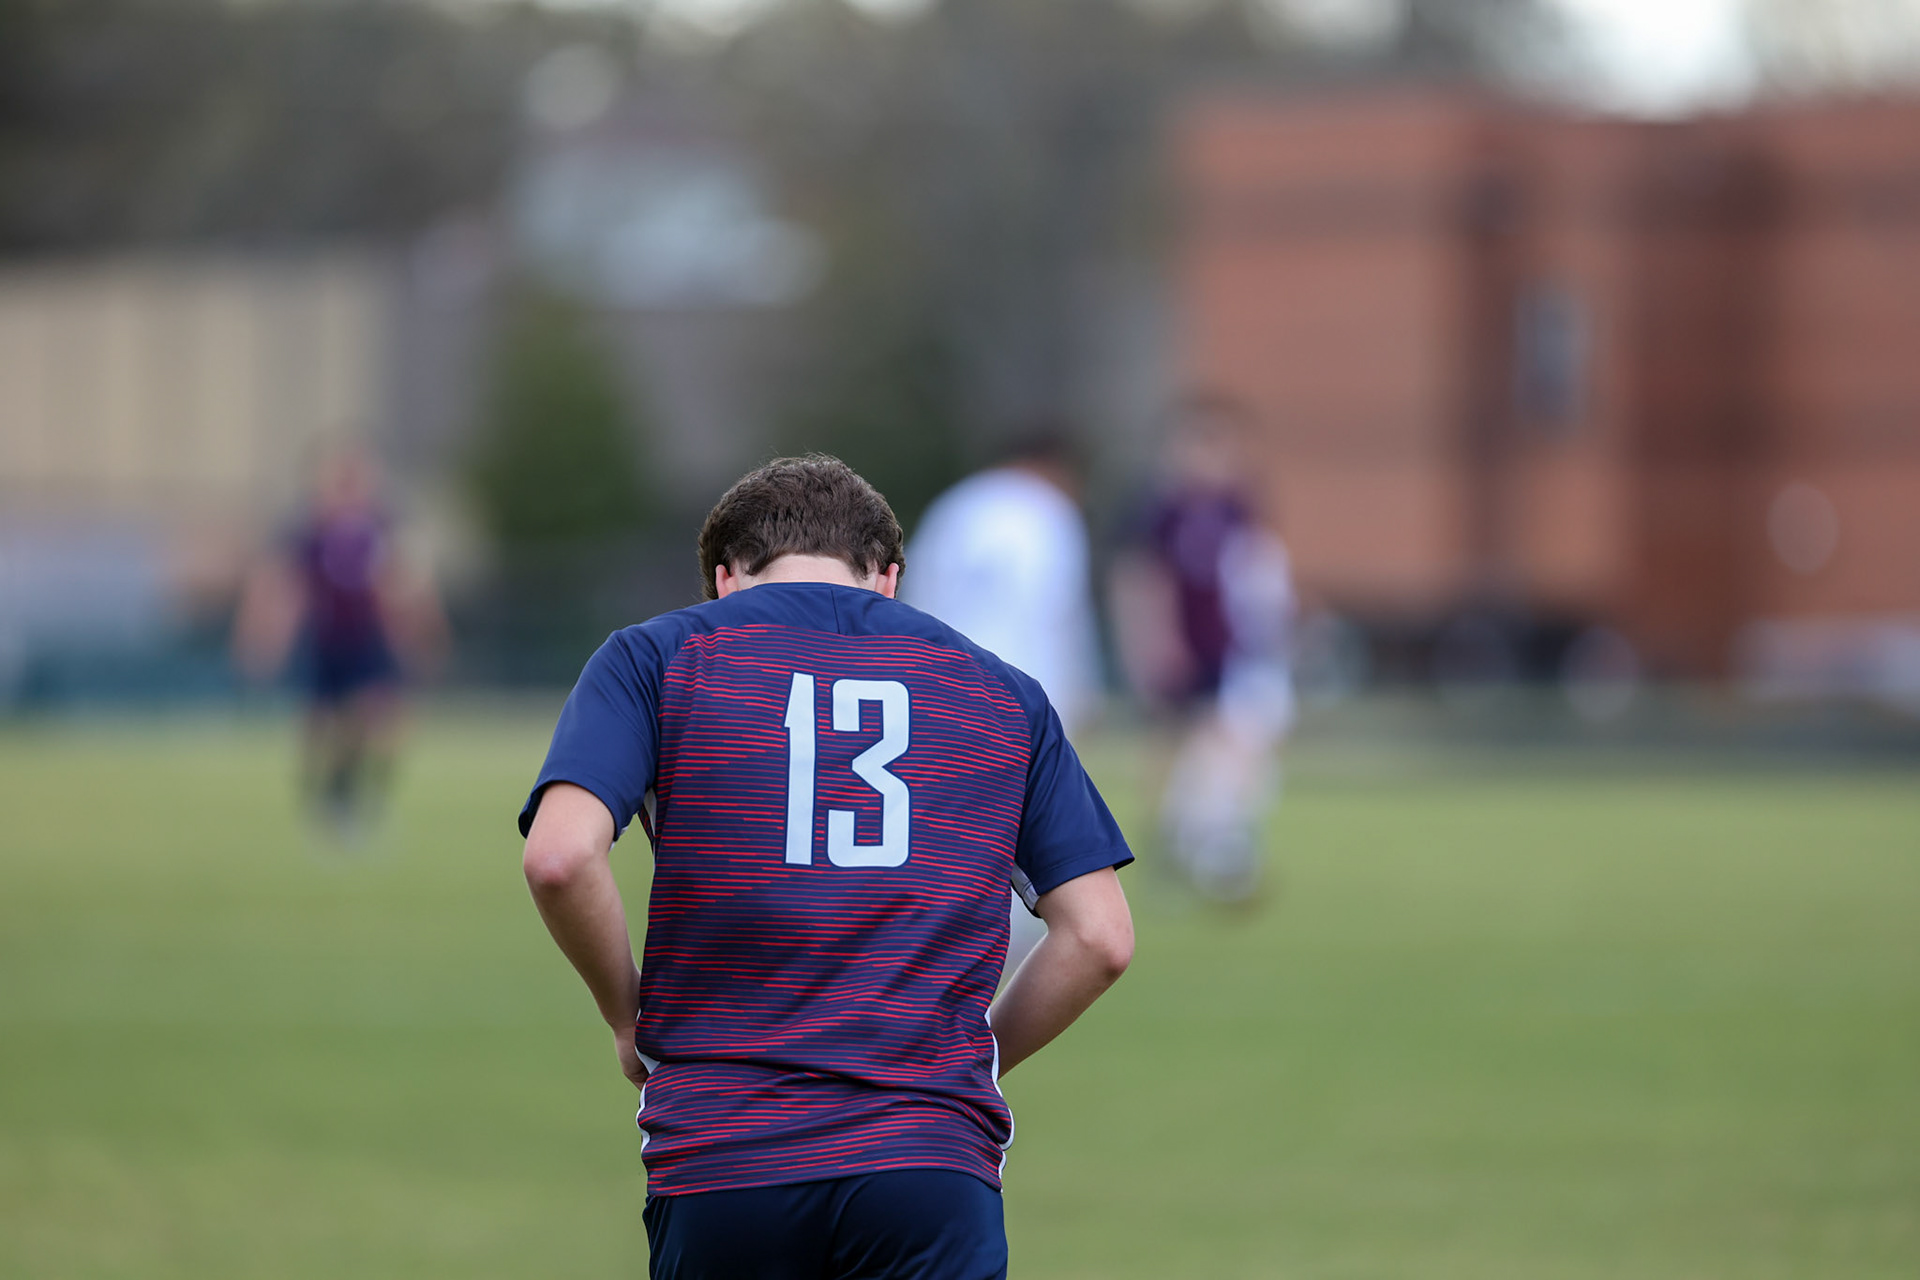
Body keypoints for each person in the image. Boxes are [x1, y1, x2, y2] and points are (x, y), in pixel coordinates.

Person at [518, 454, 1134, 1280]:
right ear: (887, 579)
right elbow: (1100, 937)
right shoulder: (1003, 692)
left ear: (724, 578)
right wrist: (958, 1063)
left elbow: (559, 857)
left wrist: (625, 1015)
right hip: (929, 1159)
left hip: (725, 1154)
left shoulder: (655, 658)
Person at [903, 427, 1103, 978]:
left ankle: (924, 952)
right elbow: (1060, 613)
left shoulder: (957, 507)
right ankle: (989, 968)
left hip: (935, 692)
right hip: (1019, 699)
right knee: (1024, 846)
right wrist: (1079, 697)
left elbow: (916, 598)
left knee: (941, 834)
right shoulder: (1048, 514)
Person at [1110, 393, 1295, 903]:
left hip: (1224, 648)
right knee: (1171, 746)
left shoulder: (1237, 505)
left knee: (1224, 742)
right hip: (1179, 647)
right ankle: (1165, 845)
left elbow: (1251, 571)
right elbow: (1142, 578)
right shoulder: (1161, 509)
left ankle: (1209, 837)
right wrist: (1152, 642)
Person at [232, 447, 446, 836]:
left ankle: (365, 797)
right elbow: (284, 590)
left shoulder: (385, 528)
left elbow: (408, 588)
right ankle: (326, 801)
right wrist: (267, 643)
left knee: (382, 720)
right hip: (326, 642)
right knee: (321, 729)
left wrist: (419, 637)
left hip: (369, 641)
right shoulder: (309, 532)